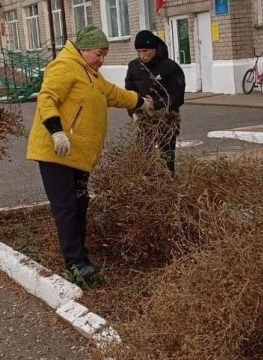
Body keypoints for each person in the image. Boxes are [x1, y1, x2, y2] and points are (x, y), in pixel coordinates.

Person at [27, 26, 153, 281]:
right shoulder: (64, 67)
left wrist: (140, 102)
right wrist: (55, 131)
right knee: (67, 207)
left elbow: (114, 94)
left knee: (80, 203)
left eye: (105, 54)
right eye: (99, 53)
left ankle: (80, 257)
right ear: (83, 50)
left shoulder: (91, 74)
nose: (102, 59)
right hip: (56, 152)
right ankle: (76, 264)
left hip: (78, 155)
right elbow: (47, 98)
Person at [125, 29, 186, 172]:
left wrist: (156, 104)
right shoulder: (134, 66)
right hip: (144, 119)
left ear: (154, 48)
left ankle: (168, 179)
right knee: (144, 154)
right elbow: (129, 93)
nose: (142, 55)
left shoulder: (170, 67)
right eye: (139, 51)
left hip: (166, 118)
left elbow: (178, 97)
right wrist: (133, 111)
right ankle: (149, 183)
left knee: (167, 156)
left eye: (145, 51)